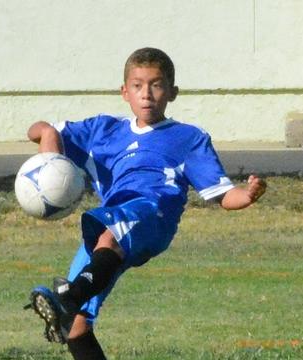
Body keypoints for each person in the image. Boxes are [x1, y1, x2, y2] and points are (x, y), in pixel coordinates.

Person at [25, 47, 269, 360]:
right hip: (108, 225)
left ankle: (70, 296)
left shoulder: (188, 138)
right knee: (76, 326)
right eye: (138, 85)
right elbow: (40, 130)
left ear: (172, 92)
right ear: (124, 92)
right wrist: (48, 148)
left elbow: (222, 195)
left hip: (152, 214)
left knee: (109, 237)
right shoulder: (103, 131)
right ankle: (71, 304)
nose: (147, 95)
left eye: (156, 85)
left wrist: (247, 195)